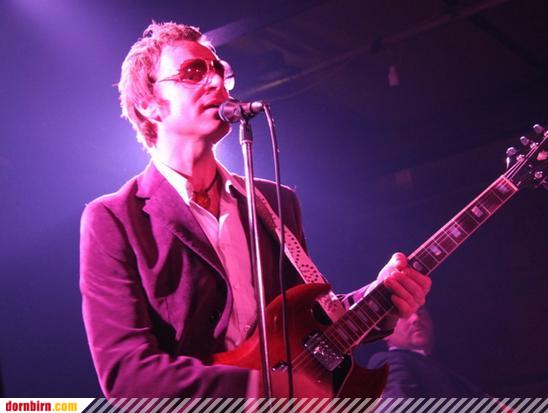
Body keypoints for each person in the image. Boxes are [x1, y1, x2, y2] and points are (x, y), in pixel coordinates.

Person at [79, 21, 431, 398]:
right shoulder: (115, 219)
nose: (215, 81)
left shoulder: (274, 202)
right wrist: (257, 390)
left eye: (219, 70)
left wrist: (380, 300)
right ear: (148, 104)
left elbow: (313, 326)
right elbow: (127, 373)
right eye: (193, 72)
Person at [367, 306, 486, 397]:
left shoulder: (440, 365)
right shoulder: (390, 361)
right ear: (385, 333)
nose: (416, 318)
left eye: (421, 312)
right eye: (404, 315)